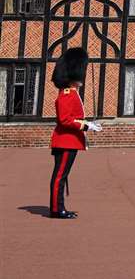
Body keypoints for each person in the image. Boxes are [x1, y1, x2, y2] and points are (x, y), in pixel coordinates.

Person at [47, 47, 89, 219]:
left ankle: (59, 207)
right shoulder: (66, 94)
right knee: (60, 176)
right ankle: (57, 209)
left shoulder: (71, 93)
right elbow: (65, 120)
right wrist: (85, 126)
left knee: (62, 176)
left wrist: (87, 123)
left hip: (70, 140)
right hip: (66, 140)